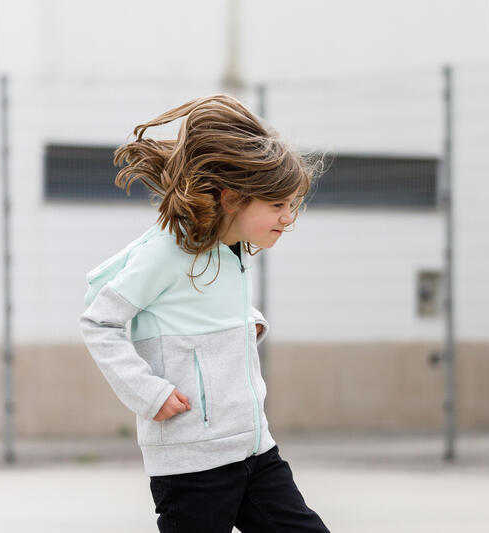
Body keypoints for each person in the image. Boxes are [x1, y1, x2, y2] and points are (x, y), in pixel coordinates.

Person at [78, 94, 329, 533]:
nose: (288, 218)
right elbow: (99, 321)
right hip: (192, 465)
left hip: (254, 451)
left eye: (291, 205)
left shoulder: (231, 250)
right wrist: (147, 393)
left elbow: (199, 304)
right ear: (232, 199)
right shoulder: (166, 252)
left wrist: (248, 321)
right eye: (276, 206)